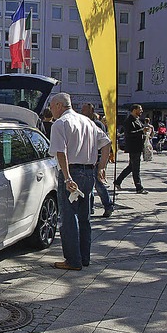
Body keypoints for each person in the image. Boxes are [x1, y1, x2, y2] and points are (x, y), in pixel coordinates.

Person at [49, 93, 111, 271]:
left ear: (59, 105)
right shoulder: (88, 122)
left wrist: (67, 177)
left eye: (52, 107)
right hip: (89, 172)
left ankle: (73, 260)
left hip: (73, 172)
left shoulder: (60, 124)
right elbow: (106, 143)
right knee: (84, 218)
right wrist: (101, 166)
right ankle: (84, 257)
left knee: (69, 218)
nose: (51, 111)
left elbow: (60, 152)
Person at [81, 103, 114, 217]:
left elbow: (104, 143)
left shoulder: (97, 124)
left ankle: (108, 205)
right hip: (88, 158)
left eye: (85, 110)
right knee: (89, 186)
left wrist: (102, 163)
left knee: (98, 184)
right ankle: (89, 209)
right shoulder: (84, 123)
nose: (83, 112)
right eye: (82, 110)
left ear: (92, 111)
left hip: (97, 158)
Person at [114, 104, 149, 194]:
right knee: (136, 167)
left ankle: (118, 181)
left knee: (131, 167)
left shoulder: (137, 120)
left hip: (138, 146)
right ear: (134, 110)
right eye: (139, 109)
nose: (141, 111)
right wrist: (142, 131)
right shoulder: (129, 121)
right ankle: (139, 187)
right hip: (133, 147)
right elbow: (129, 134)